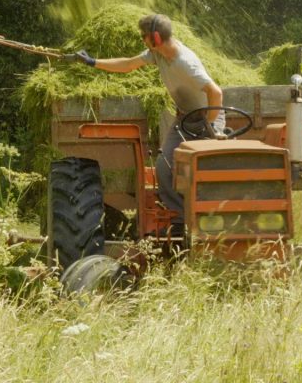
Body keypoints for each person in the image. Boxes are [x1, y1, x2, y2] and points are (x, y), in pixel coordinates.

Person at [69, 14, 224, 233]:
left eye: (144, 36)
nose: (142, 40)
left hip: (207, 118)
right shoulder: (157, 54)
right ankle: (180, 220)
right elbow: (129, 65)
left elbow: (215, 93)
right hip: (185, 118)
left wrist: (209, 125)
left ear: (156, 37)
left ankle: (211, 221)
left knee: (204, 170)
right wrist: (93, 62)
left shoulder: (184, 62)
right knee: (164, 167)